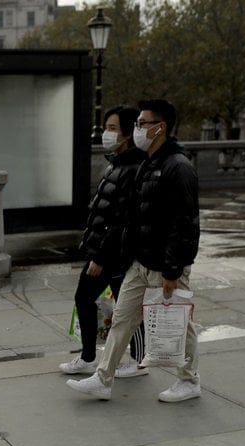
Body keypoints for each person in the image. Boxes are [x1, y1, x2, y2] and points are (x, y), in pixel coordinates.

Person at [67, 99, 201, 403]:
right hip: (140, 263)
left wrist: (172, 270)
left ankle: (190, 381)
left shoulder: (178, 168)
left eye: (142, 124)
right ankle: (103, 378)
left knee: (180, 324)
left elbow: (186, 224)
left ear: (160, 128)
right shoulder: (147, 164)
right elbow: (133, 218)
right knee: (122, 319)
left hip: (165, 265)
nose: (137, 129)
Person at [60, 105, 147, 378]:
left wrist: (99, 256)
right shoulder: (117, 163)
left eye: (112, 129)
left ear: (128, 134)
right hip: (105, 249)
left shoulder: (133, 168)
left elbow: (122, 219)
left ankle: (138, 359)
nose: (106, 134)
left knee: (126, 308)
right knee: (88, 299)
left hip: (116, 254)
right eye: (106, 128)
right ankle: (88, 357)